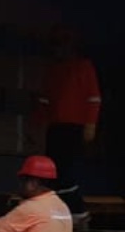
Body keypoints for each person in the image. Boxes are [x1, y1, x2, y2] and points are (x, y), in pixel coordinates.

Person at [35, 26, 100, 216]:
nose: (58, 50)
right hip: (55, 125)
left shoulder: (83, 66)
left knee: (66, 170)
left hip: (74, 126)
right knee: (53, 170)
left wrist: (90, 125)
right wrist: (38, 125)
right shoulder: (53, 70)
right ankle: (62, 210)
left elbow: (93, 98)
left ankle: (76, 210)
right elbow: (44, 100)